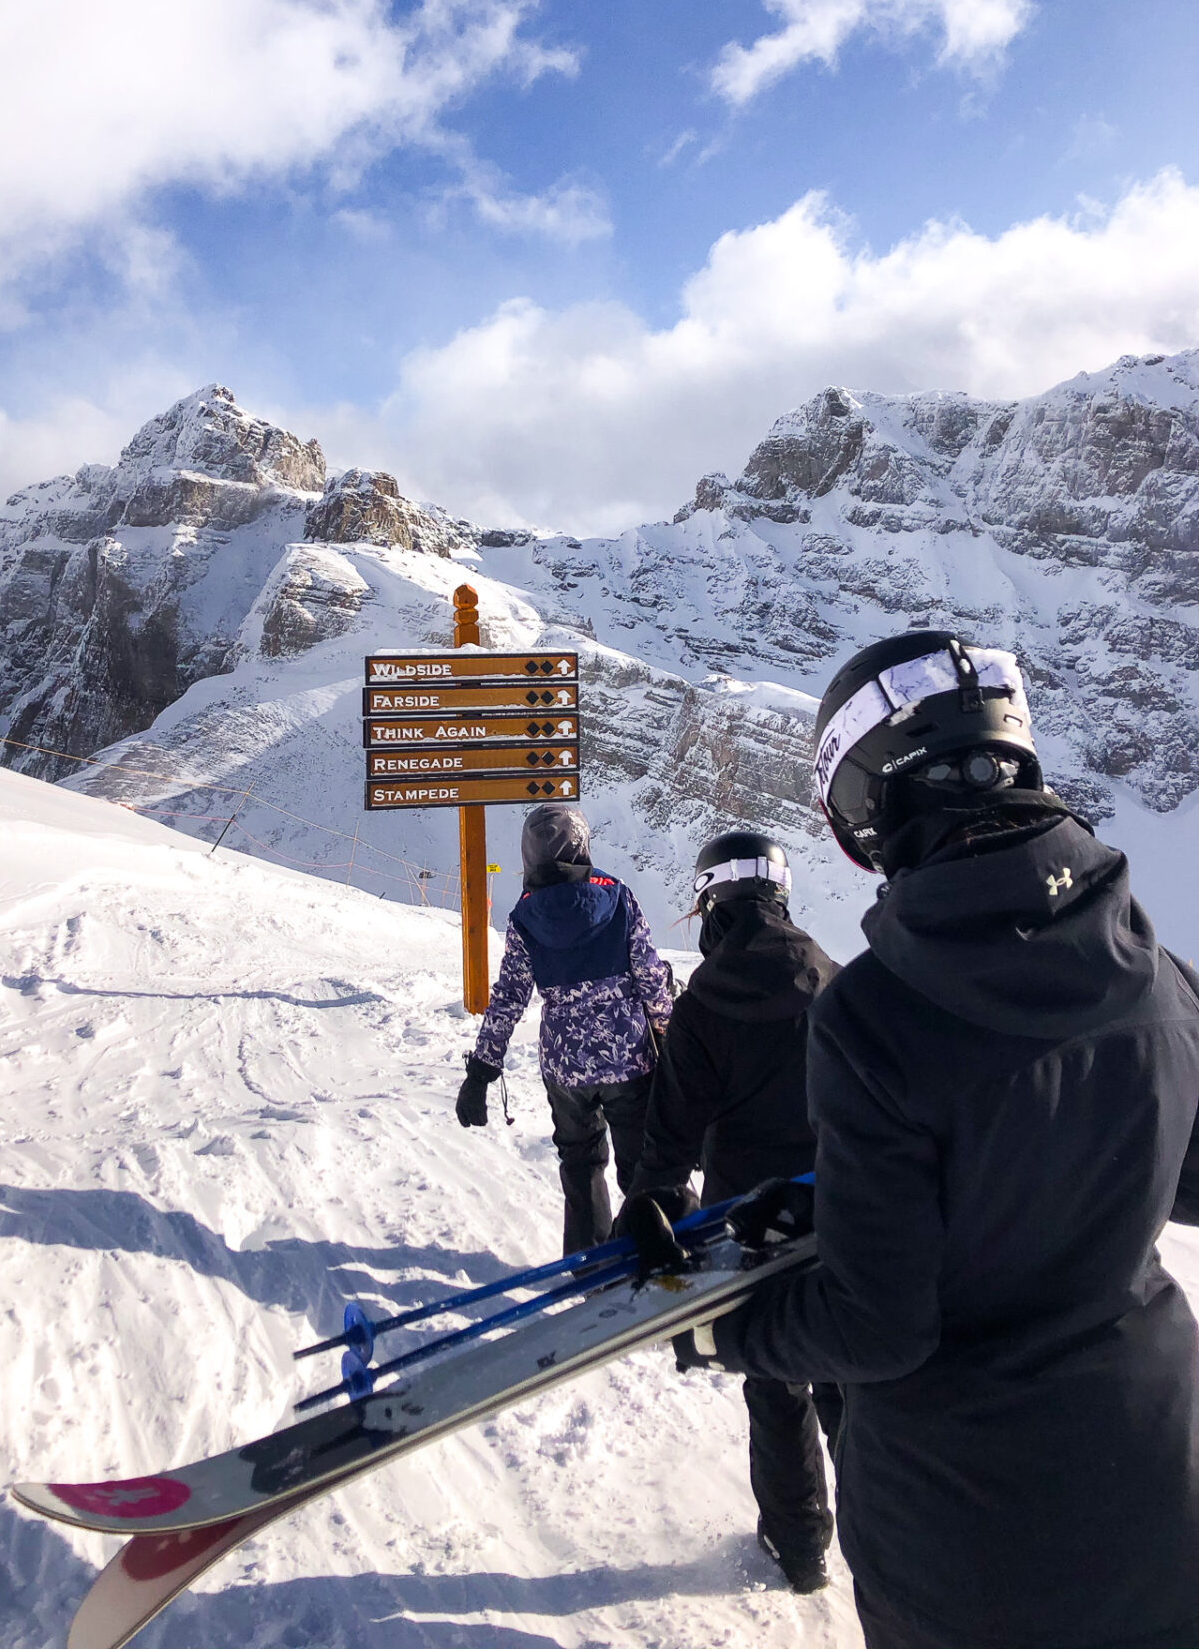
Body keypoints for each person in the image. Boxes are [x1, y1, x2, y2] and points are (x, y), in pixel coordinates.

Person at [630, 630, 1199, 1649]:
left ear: (869, 809)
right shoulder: (1158, 972)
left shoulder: (879, 1015)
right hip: (1164, 1486)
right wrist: (844, 1194)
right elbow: (1122, 1158)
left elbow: (876, 1329)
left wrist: (723, 1332)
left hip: (972, 1535)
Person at [618, 830, 842, 1595]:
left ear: (712, 901)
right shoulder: (834, 978)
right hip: (841, 1212)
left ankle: (800, 1545)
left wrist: (650, 1217)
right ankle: (890, 1551)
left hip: (745, 1228)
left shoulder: (705, 1003)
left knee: (777, 1383)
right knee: (854, 1380)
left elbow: (668, 1140)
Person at [455, 804, 672, 1253]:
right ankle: (653, 1248)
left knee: (579, 1162)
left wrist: (482, 1069)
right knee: (641, 1162)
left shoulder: (524, 914)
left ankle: (589, 1263)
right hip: (628, 1058)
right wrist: (670, 1037)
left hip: (565, 1067)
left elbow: (509, 995)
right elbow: (651, 977)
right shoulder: (617, 896)